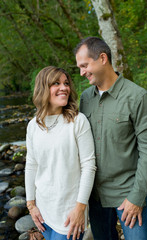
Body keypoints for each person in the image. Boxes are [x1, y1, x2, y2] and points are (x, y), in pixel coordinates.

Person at [74, 36, 147, 240]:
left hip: (128, 195)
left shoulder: (138, 97)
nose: (82, 72)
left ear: (102, 58)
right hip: (95, 198)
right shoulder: (85, 98)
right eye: (79, 67)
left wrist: (137, 197)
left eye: (85, 65)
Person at [25, 66, 96, 240]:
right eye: (56, 83)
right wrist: (31, 205)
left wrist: (80, 209)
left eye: (65, 83)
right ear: (43, 88)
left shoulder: (78, 121)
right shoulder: (33, 125)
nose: (64, 87)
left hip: (69, 214)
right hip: (43, 211)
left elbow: (89, 166)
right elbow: (31, 165)